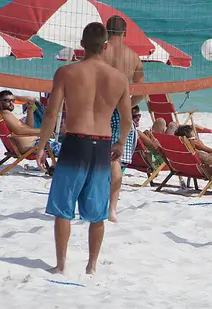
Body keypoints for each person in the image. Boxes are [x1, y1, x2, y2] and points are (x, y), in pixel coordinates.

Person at [35, 22, 132, 275]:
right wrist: (120, 143)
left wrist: (42, 145)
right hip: (101, 146)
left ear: (81, 44)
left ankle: (61, 265)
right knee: (97, 213)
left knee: (63, 209)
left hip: (75, 143)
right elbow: (127, 120)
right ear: (106, 45)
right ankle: (91, 266)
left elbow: (51, 113)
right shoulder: (119, 78)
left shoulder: (66, 72)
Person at [104, 15, 145, 223]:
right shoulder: (134, 57)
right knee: (116, 161)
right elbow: (142, 91)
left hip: (99, 109)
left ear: (105, 30)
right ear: (125, 33)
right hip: (121, 111)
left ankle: (98, 203)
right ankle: (112, 208)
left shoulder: (99, 52)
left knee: (96, 158)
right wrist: (128, 103)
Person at [0, 90, 61, 156]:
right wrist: (43, 131)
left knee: (66, 149)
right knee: (66, 150)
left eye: (13, 100)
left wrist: (30, 109)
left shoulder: (7, 115)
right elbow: (19, 130)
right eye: (8, 101)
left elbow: (29, 127)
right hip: (33, 146)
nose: (11, 103)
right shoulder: (5, 114)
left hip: (34, 145)